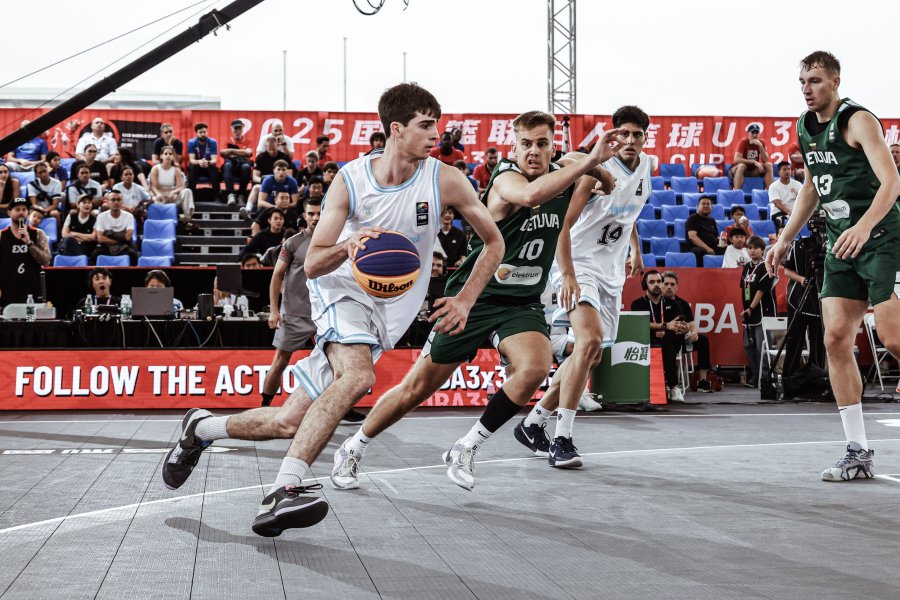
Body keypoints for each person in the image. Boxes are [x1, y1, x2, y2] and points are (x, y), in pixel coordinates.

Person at [160, 82, 503, 537]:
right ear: (397, 130)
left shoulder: (446, 180)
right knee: (359, 377)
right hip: (340, 292)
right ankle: (284, 489)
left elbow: (494, 242)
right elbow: (315, 262)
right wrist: (349, 246)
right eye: (425, 125)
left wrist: (465, 297)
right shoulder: (352, 180)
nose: (435, 134)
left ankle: (201, 428)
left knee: (287, 421)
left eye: (436, 125)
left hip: (389, 313)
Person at [332, 111, 621, 490]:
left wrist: (597, 171)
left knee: (534, 368)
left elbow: (610, 179)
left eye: (542, 143)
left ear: (554, 146)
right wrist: (590, 162)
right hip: (472, 297)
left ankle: (466, 447)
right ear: (513, 147)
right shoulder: (505, 179)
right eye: (526, 144)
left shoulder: (566, 167)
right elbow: (532, 195)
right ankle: (354, 447)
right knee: (415, 390)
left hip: (521, 302)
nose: (534, 151)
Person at [766, 51, 900, 481]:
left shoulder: (858, 120)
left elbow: (892, 182)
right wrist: (785, 238)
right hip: (841, 243)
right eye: (803, 80)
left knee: (895, 339)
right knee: (836, 338)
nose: (807, 88)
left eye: (816, 80)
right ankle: (858, 450)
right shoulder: (805, 128)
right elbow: (811, 186)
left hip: (880, 237)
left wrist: (863, 226)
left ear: (836, 81)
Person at [517, 105, 650, 463]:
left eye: (637, 134)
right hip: (579, 266)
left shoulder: (647, 168)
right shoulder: (596, 172)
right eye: (624, 133)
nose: (630, 140)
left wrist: (636, 249)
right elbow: (563, 224)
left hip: (611, 273)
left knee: (589, 354)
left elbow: (629, 210)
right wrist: (570, 275)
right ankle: (562, 440)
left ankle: (533, 422)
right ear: (613, 135)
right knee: (588, 341)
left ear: (645, 138)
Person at [260, 197, 321, 407]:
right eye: (311, 214)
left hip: (324, 315)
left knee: (335, 363)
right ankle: (264, 405)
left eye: (320, 213)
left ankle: (341, 406)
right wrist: (274, 311)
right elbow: (277, 276)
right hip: (294, 313)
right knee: (280, 361)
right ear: (304, 216)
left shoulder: (334, 241)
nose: (315, 218)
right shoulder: (292, 243)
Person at [630, 270, 690, 402]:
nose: (656, 285)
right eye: (652, 282)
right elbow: (640, 323)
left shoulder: (672, 303)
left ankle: (674, 388)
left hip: (668, 341)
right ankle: (674, 386)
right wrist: (664, 326)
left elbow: (680, 319)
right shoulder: (637, 304)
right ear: (645, 286)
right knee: (664, 345)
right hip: (647, 341)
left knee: (669, 343)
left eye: (658, 281)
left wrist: (683, 327)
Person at [781, 230, 825, 378]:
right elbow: (787, 270)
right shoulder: (799, 245)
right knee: (794, 342)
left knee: (819, 344)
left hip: (820, 302)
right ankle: (789, 380)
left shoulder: (830, 246)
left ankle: (817, 378)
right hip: (797, 300)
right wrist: (802, 280)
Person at [662, 271, 714, 392]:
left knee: (702, 341)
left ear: (677, 287)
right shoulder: (657, 303)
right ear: (661, 285)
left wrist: (694, 332)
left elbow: (691, 324)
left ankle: (702, 382)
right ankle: (668, 379)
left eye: (672, 284)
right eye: (666, 284)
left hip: (683, 339)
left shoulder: (683, 304)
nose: (669, 287)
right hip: (667, 340)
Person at [0, 198, 51, 306]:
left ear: (28, 213)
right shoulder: (1, 235)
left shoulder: (38, 234)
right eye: (17, 209)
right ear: (9, 212)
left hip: (32, 289)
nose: (21, 212)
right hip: (7, 289)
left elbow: (46, 261)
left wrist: (29, 243)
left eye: (24, 209)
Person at [741, 235, 776, 388]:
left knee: (762, 346)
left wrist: (750, 308)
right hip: (748, 313)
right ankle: (755, 376)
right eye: (750, 248)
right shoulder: (747, 267)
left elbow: (761, 291)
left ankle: (764, 378)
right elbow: (745, 289)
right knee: (749, 346)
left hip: (763, 312)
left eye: (755, 248)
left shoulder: (766, 266)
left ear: (762, 250)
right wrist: (746, 309)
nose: (752, 251)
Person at [242, 135, 293, 219]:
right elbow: (255, 177)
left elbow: (290, 175)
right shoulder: (260, 157)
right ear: (265, 147)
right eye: (270, 149)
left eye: (274, 149)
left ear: (277, 145)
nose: (272, 151)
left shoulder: (284, 157)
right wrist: (265, 181)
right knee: (256, 188)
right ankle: (248, 209)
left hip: (283, 185)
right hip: (267, 184)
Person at [149, 146, 196, 226]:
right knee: (156, 199)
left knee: (187, 191)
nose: (168, 156)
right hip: (159, 195)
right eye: (166, 153)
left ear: (173, 156)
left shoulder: (176, 170)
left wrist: (174, 192)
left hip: (172, 195)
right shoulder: (155, 169)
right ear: (161, 156)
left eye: (170, 154)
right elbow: (153, 187)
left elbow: (181, 187)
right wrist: (159, 195)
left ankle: (188, 218)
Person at [92, 190, 138, 265]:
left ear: (122, 202)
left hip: (124, 246)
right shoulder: (101, 216)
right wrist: (120, 236)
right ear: (108, 202)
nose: (116, 202)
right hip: (106, 246)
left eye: (118, 200)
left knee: (133, 255)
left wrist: (109, 233)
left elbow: (128, 237)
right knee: (95, 255)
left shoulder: (129, 216)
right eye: (113, 200)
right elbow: (100, 238)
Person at [730, 123, 773, 190]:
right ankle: (736, 191)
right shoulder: (743, 142)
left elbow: (766, 161)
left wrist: (760, 146)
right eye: (752, 132)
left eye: (756, 133)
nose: (755, 135)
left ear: (759, 134)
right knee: (742, 166)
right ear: (748, 134)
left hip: (753, 171)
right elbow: (736, 159)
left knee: (768, 165)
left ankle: (770, 191)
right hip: (738, 170)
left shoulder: (762, 143)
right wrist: (753, 162)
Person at [221, 119, 254, 205]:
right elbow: (223, 152)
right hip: (231, 167)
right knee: (227, 165)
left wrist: (231, 150)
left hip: (242, 167)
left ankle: (241, 196)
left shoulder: (248, 141)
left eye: (239, 128)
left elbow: (249, 153)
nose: (237, 131)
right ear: (232, 129)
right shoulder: (226, 140)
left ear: (242, 129)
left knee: (246, 167)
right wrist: (242, 152)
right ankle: (231, 195)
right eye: (235, 129)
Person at [686, 196, 724, 266]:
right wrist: (707, 248)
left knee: (726, 249)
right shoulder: (693, 218)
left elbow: (715, 237)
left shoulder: (712, 220)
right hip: (697, 248)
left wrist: (723, 242)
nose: (706, 206)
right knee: (701, 251)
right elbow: (692, 237)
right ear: (697, 206)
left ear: (711, 207)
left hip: (712, 247)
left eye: (708, 204)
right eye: (703, 204)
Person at [186, 122, 219, 199]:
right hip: (197, 165)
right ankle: (191, 196)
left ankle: (217, 196)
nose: (203, 134)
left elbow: (214, 160)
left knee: (215, 169)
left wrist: (207, 162)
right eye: (200, 132)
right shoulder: (191, 142)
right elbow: (192, 160)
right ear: (196, 133)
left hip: (208, 165)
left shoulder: (213, 142)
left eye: (204, 132)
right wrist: (199, 162)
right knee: (192, 167)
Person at [769, 160, 803, 228]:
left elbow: (802, 199)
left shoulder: (798, 184)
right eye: (784, 169)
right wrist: (789, 212)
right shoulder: (773, 186)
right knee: (782, 221)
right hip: (778, 213)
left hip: (795, 213)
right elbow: (777, 203)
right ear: (779, 172)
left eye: (789, 169)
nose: (787, 171)